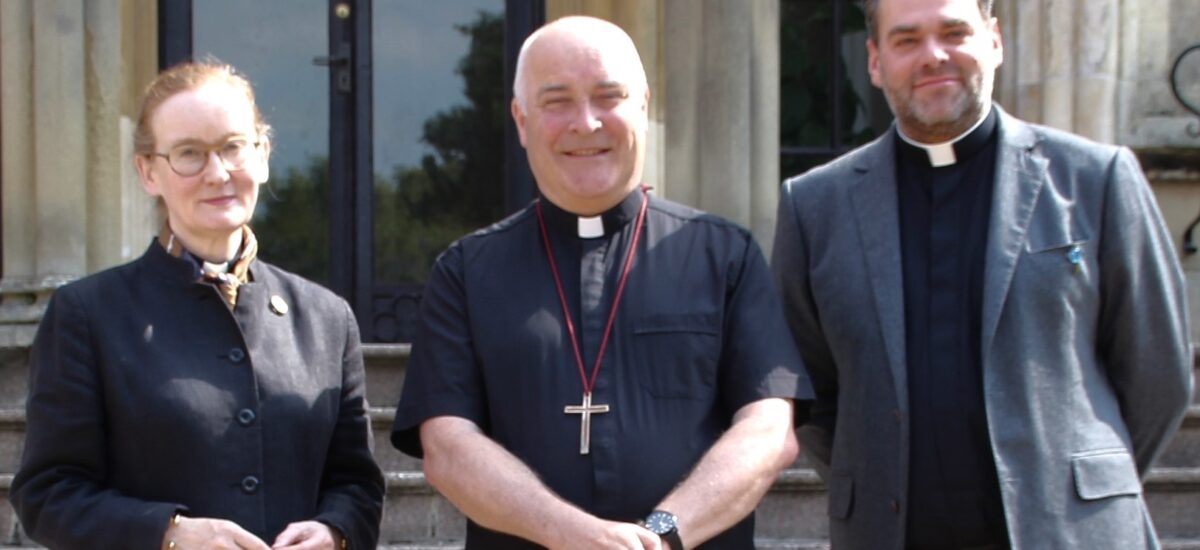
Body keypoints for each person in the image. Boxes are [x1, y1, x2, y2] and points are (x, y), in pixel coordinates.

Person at [771, 0, 1194, 548]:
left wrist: (1076, 484)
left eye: (954, 32)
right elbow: (811, 390)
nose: (934, 55)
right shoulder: (814, 206)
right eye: (907, 40)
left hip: (1070, 534)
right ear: (874, 61)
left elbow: (1158, 373)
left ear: (994, 41)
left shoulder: (1095, 178)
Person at [391, 15, 813, 550]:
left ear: (643, 105)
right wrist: (578, 538)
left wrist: (661, 536)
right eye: (557, 101)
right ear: (521, 120)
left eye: (608, 96)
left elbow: (769, 429)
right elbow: (447, 447)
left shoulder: (724, 256)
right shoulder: (466, 272)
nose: (586, 123)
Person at [9, 61, 385, 550]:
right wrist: (169, 533)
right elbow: (46, 494)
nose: (217, 173)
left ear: (263, 154)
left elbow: (356, 485)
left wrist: (335, 530)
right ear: (148, 172)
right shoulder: (86, 315)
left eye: (233, 147)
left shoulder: (326, 318)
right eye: (189, 154)